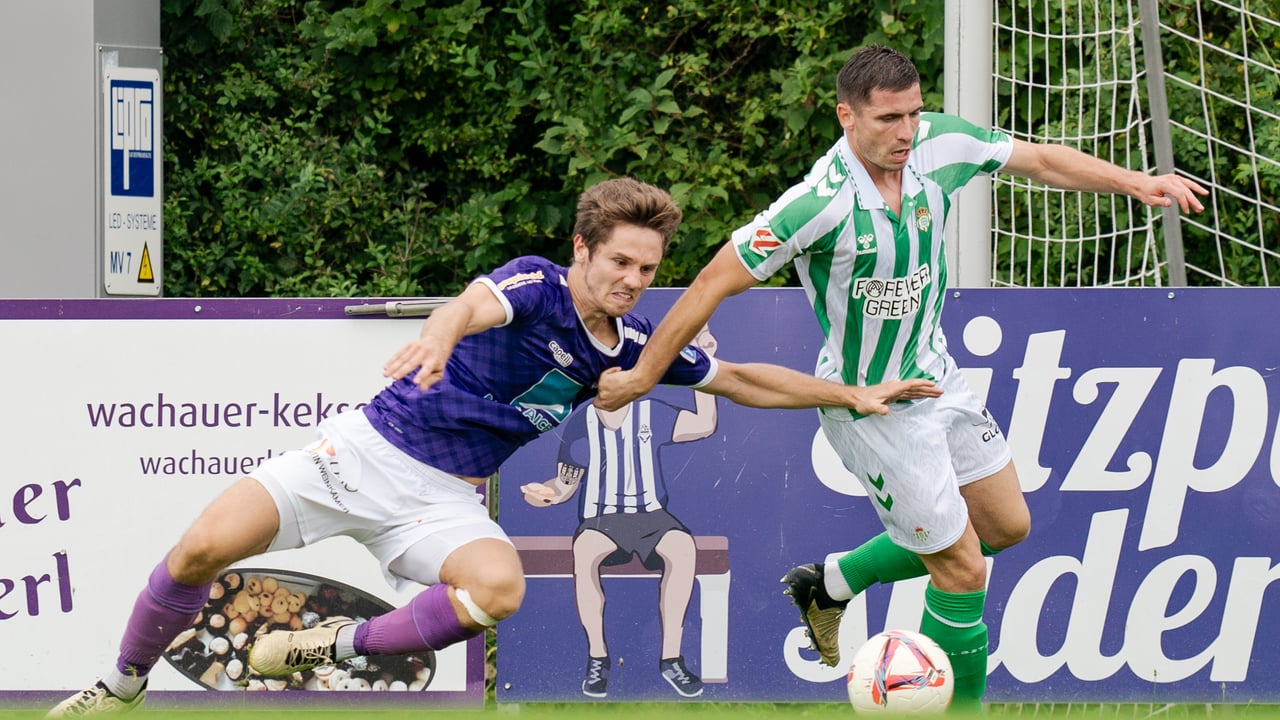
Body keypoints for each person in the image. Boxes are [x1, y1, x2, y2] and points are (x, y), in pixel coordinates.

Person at [50, 177, 941, 716]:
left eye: (646, 268)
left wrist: (851, 393)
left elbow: (742, 378)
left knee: (499, 588)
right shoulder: (537, 284)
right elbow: (473, 306)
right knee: (201, 547)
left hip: (441, 498)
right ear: (583, 249)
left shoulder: (635, 349)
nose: (633, 282)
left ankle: (330, 647)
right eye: (620, 262)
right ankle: (123, 687)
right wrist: (440, 335)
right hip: (360, 453)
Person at [593, 46, 1208, 711]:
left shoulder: (938, 145)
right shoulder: (816, 206)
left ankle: (831, 583)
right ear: (846, 116)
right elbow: (712, 281)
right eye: (889, 119)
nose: (907, 132)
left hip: (936, 375)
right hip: (873, 408)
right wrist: (642, 374)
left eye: (913, 113)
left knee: (1005, 527)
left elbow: (1039, 159)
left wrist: (1136, 182)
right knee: (963, 568)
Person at [521, 325, 722, 699]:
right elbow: (565, 484)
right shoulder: (580, 424)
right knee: (585, 551)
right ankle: (598, 657)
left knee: (682, 548)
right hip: (602, 519)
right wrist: (544, 494)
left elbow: (704, 424)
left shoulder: (652, 413)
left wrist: (705, 361)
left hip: (651, 515)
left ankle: (671, 659)